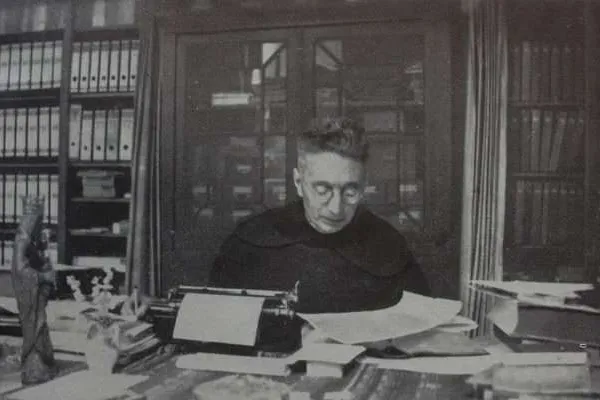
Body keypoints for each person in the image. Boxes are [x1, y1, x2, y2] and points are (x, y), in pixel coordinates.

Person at [209, 117, 430, 314]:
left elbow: (421, 326)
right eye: (323, 190)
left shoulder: (388, 243)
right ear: (298, 182)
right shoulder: (249, 241)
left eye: (350, 191)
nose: (336, 208)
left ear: (364, 186)